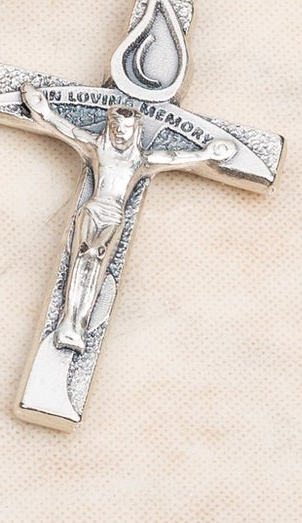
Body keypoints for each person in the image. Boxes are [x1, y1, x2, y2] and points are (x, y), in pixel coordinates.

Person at [21, 82, 235, 354]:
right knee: (81, 261)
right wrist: (41, 109)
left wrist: (207, 154)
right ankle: (68, 323)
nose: (120, 132)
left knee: (95, 265)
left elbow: (175, 157)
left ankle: (77, 326)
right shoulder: (98, 148)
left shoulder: (140, 160)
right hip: (93, 210)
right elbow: (61, 126)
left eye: (126, 127)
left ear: (136, 130)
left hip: (113, 216)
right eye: (115, 126)